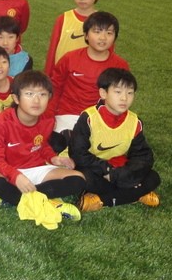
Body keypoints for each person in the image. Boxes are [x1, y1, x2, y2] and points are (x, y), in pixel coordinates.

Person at [0, 70, 84, 218]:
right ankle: (49, 203)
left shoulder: (48, 119)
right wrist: (16, 176)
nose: (36, 100)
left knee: (78, 179)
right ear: (16, 98)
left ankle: (15, 198)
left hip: (36, 168)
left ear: (49, 97)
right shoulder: (2, 122)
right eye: (29, 94)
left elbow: (41, 145)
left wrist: (53, 158)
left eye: (42, 94)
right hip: (7, 170)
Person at [69, 68, 161, 212]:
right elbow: (78, 153)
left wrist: (126, 174)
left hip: (117, 169)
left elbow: (143, 155)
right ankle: (137, 194)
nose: (124, 98)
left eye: (130, 93)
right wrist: (107, 171)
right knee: (83, 179)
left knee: (153, 177)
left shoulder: (134, 121)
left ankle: (101, 200)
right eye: (118, 92)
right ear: (103, 93)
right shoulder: (89, 118)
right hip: (92, 167)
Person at [49, 11, 129, 135]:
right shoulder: (69, 59)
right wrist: (49, 116)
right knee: (62, 142)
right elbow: (55, 88)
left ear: (115, 37)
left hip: (101, 119)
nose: (103, 38)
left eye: (109, 33)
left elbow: (122, 98)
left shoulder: (120, 65)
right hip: (67, 116)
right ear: (86, 35)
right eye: (97, 32)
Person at [44, 0, 104, 77]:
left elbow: (107, 53)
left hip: (89, 78)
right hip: (62, 76)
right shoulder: (63, 19)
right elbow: (52, 51)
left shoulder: (103, 21)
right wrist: (47, 76)